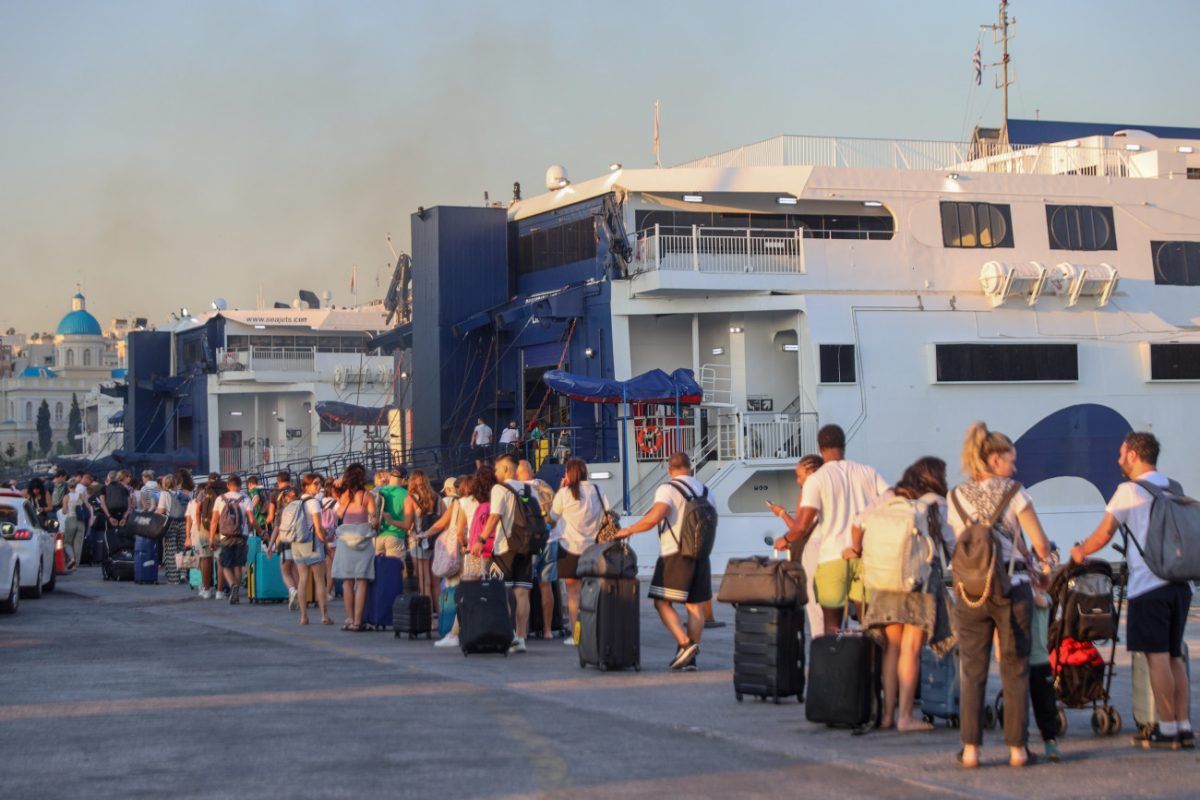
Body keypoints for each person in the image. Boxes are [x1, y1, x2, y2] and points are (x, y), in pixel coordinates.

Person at [1070, 431, 1193, 750]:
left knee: (1158, 659)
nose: (1118, 460)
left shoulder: (1128, 491)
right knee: (1175, 656)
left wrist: (1080, 552)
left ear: (1135, 455)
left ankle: (1166, 728)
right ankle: (1183, 724)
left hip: (1148, 587)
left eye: (1122, 454)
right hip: (1180, 585)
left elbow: (1103, 534)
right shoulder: (1173, 487)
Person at [948, 421, 1052, 769]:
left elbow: (957, 543)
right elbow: (1039, 544)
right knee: (1015, 668)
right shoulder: (1015, 492)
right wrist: (1048, 569)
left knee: (973, 670)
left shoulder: (956, 496)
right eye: (1010, 460)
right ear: (994, 460)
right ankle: (1018, 750)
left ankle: (971, 750)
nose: (1014, 467)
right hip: (1012, 588)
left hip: (970, 591)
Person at [845, 456, 957, 732]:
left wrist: (858, 550)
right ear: (935, 478)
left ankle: (886, 715)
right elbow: (951, 543)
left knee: (891, 648)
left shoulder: (888, 498)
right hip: (918, 582)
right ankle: (906, 717)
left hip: (884, 580)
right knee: (911, 648)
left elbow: (858, 523)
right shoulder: (935, 504)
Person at [771, 425, 887, 634]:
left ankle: (831, 662)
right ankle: (870, 663)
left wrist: (785, 539)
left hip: (831, 556)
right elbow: (891, 501)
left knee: (828, 624)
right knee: (870, 623)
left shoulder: (818, 479)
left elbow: (802, 525)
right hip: (864, 556)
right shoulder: (868, 472)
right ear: (844, 445)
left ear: (820, 447)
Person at [616, 452, 712, 671]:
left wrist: (629, 529)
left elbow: (656, 516)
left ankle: (685, 644)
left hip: (674, 555)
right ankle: (690, 659)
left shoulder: (667, 489)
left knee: (661, 602)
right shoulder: (706, 491)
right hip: (701, 555)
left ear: (670, 470)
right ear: (690, 467)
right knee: (695, 607)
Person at [549, 457, 608, 646]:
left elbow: (552, 517)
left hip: (569, 549)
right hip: (593, 550)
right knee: (592, 592)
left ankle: (576, 635)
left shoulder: (565, 494)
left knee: (573, 595)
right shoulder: (598, 490)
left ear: (568, 473)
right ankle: (595, 631)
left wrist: (560, 489)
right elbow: (608, 514)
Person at [477, 453, 532, 653]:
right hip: (525, 546)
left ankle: (507, 634)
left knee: (501, 592)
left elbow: (494, 518)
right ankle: (522, 636)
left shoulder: (499, 489)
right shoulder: (527, 488)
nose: (495, 472)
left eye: (498, 468)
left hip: (504, 547)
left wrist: (481, 540)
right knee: (522, 592)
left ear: (507, 469)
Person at [766, 454, 824, 635]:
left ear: (811, 473)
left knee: (815, 609)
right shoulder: (831, 489)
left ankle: (820, 650)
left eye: (799, 476)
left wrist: (782, 514)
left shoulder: (808, 491)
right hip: (832, 550)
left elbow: (799, 529)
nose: (798, 481)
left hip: (813, 551)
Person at [434, 475, 480, 648]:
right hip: (489, 551)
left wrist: (464, 545)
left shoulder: (462, 503)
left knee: (465, 593)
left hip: (471, 551)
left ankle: (454, 634)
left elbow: (459, 531)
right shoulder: (483, 501)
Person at [516, 460, 557, 639]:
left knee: (525, 588)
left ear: (518, 473)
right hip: (551, 539)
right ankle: (547, 630)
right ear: (532, 472)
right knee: (546, 585)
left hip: (531, 543)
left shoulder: (518, 490)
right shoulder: (545, 486)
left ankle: (523, 631)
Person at [332, 463, 376, 631]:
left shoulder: (343, 497)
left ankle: (349, 619)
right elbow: (374, 518)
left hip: (345, 540)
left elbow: (338, 514)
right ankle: (358, 621)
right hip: (363, 541)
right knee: (362, 580)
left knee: (347, 581)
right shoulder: (367, 496)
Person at [210, 474, 256, 605]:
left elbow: (214, 521)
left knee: (224, 564)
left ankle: (232, 585)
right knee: (238, 564)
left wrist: (211, 538)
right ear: (240, 486)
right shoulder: (245, 498)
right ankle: (236, 587)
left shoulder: (220, 499)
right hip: (241, 535)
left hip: (225, 536)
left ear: (228, 486)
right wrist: (259, 531)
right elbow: (252, 519)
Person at [294, 473, 333, 626]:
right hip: (312, 543)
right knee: (319, 581)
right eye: (315, 484)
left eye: (319, 483)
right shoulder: (314, 503)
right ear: (306, 486)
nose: (318, 486)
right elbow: (318, 528)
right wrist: (326, 545)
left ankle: (303, 616)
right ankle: (324, 616)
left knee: (302, 579)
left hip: (297, 543)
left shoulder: (297, 502)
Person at [404, 469, 442, 613]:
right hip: (436, 541)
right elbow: (444, 519)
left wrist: (390, 520)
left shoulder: (410, 499)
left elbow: (407, 525)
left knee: (424, 581)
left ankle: (428, 617)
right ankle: (440, 615)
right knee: (436, 582)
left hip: (419, 541)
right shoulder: (437, 497)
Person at [264, 471, 300, 610]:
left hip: (285, 539)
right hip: (300, 539)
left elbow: (274, 522)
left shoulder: (276, 497)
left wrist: (270, 545)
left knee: (285, 570)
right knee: (296, 570)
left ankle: (292, 591)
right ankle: (301, 598)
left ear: (278, 481)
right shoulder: (299, 497)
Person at [62, 474, 94, 570]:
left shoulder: (66, 497)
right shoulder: (80, 495)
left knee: (67, 542)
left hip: (71, 519)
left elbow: (64, 511)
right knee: (78, 543)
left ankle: (72, 559)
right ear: (76, 486)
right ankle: (75, 564)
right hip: (80, 520)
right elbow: (88, 506)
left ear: (68, 486)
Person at [376, 468, 409, 559]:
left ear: (390, 477)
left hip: (378, 537)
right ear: (403, 480)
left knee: (380, 571)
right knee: (395, 571)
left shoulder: (379, 491)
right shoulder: (406, 494)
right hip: (396, 536)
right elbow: (408, 523)